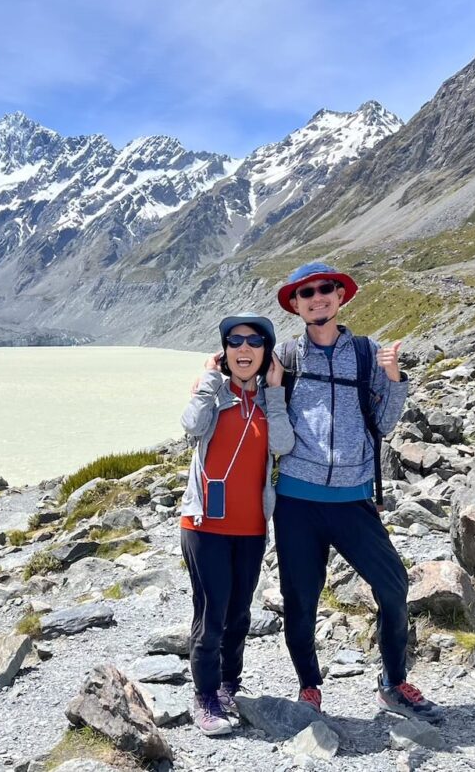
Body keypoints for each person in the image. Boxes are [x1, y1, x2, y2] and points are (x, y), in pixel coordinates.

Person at [272, 262, 441, 723]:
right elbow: (251, 390)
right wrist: (213, 370)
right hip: (297, 502)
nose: (317, 297)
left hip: (352, 499)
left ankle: (392, 681)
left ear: (340, 297)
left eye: (326, 289)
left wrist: (394, 379)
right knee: (300, 598)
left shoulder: (366, 354)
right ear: (296, 305)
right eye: (306, 293)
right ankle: (309, 686)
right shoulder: (285, 356)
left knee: (393, 586)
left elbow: (384, 424)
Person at [179, 314, 295, 736]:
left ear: (266, 353)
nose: (244, 349)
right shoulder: (213, 395)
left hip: (250, 528)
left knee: (239, 614)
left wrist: (277, 394)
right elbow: (190, 426)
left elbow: (283, 445)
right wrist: (210, 381)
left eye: (254, 342)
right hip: (203, 524)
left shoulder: (269, 402)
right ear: (224, 352)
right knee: (210, 615)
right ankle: (205, 696)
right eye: (235, 341)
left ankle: (229, 685)